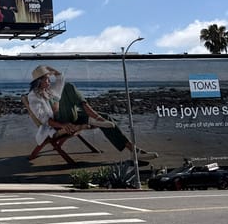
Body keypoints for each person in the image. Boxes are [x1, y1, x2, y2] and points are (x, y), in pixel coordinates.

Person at [21, 65, 158, 159]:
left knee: (106, 118)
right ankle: (92, 117)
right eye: (46, 79)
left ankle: (134, 151)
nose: (49, 81)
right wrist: (63, 126)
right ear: (39, 82)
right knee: (68, 87)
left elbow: (60, 77)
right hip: (58, 123)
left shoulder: (49, 90)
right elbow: (45, 120)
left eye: (49, 78)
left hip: (71, 115)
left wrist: (51, 70)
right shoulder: (34, 97)